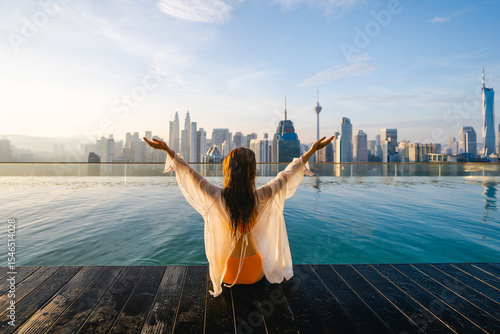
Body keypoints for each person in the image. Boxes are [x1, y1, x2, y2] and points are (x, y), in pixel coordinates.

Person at [144, 135, 334, 297]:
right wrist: (312, 150)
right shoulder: (262, 196)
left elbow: (189, 173)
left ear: (228, 169)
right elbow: (286, 175)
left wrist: (167, 150)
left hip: (229, 272)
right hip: (254, 273)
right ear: (252, 172)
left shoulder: (217, 196)